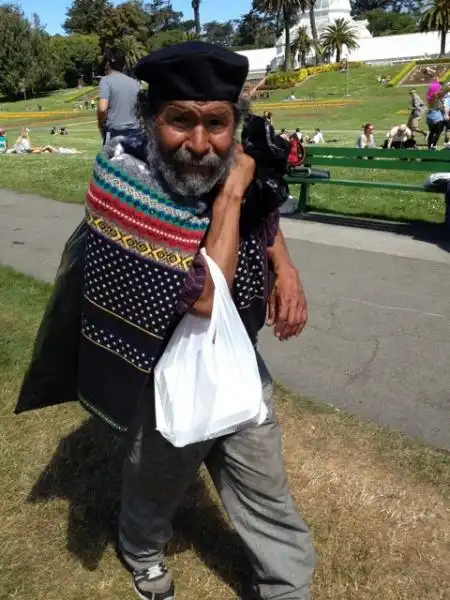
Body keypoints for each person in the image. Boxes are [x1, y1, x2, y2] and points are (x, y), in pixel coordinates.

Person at [16, 41, 315, 600]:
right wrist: (228, 195)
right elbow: (203, 297)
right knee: (159, 474)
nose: (199, 143)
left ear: (234, 122)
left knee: (263, 479)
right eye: (180, 121)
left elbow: (263, 210)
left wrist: (284, 264)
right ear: (153, 119)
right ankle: (141, 549)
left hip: (232, 350)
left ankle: (286, 587)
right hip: (156, 359)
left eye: (215, 124)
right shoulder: (124, 177)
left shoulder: (237, 152)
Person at [98, 47, 141, 144]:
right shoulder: (134, 83)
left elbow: (102, 108)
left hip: (116, 131)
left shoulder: (106, 81)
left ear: (108, 64)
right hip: (136, 131)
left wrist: (100, 125)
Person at [425, 79, 447, 150]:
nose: (440, 89)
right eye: (439, 88)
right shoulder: (436, 97)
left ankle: (429, 147)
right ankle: (433, 145)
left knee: (432, 132)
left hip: (429, 117)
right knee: (439, 132)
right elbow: (443, 92)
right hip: (437, 117)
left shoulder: (429, 98)